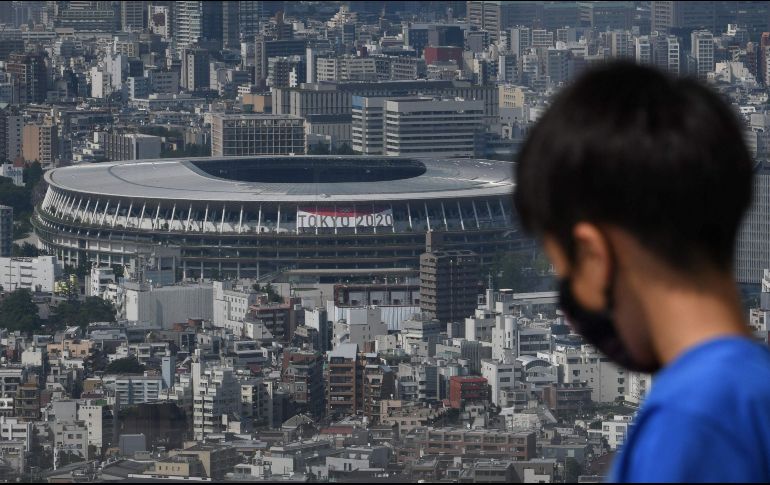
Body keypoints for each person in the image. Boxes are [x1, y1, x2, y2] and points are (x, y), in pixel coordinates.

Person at [514, 61, 770, 482]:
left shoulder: (691, 423)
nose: (569, 315)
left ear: (595, 255)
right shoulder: (751, 390)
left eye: (567, 278)